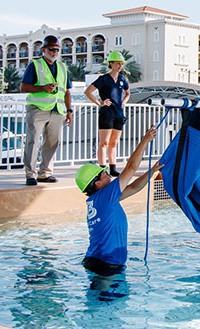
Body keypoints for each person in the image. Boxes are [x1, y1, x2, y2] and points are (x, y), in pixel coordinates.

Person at [77, 126, 164, 276]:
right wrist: (144, 141)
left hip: (101, 262)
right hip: (106, 265)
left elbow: (133, 188)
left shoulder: (99, 200)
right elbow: (131, 167)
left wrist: (152, 171)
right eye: (103, 174)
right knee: (106, 299)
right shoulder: (105, 196)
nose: (107, 174)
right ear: (97, 184)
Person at [20, 35, 72, 186]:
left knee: (52, 142)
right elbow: (23, 87)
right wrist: (43, 88)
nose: (54, 52)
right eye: (51, 49)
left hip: (57, 110)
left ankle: (45, 173)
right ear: (43, 50)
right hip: (37, 109)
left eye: (57, 49)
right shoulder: (35, 65)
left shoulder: (62, 67)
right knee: (33, 141)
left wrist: (69, 111)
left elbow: (67, 91)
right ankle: (30, 174)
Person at [84, 51, 131, 176]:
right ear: (111, 64)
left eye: (121, 64)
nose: (120, 66)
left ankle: (113, 167)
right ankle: (102, 168)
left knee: (114, 142)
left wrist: (124, 102)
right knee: (104, 142)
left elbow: (127, 93)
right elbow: (88, 91)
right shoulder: (103, 78)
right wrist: (100, 103)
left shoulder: (122, 79)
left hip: (119, 114)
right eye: (117, 63)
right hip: (106, 113)